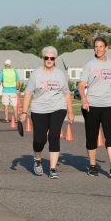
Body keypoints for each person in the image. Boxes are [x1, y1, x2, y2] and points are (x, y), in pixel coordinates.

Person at [78, 37, 111, 178]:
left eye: (101, 46)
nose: (99, 49)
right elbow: (81, 85)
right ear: (94, 48)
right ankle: (93, 166)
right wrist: (84, 100)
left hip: (110, 104)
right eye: (96, 46)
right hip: (92, 105)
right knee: (92, 136)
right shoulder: (89, 65)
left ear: (106, 48)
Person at [19, 46, 74, 179]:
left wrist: (70, 111)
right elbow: (28, 94)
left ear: (55, 59)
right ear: (42, 58)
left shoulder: (60, 74)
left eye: (52, 58)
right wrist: (24, 112)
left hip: (58, 108)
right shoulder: (36, 74)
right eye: (46, 57)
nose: (49, 60)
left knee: (54, 136)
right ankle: (37, 160)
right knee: (40, 139)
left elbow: (66, 94)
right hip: (39, 109)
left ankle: (53, 168)